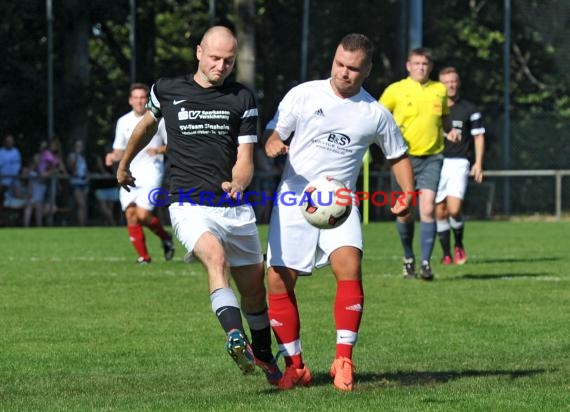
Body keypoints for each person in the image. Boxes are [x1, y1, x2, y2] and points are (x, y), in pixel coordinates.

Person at [115, 26, 281, 384]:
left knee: (254, 291)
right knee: (215, 259)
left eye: (229, 60)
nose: (221, 66)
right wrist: (124, 162)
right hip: (188, 202)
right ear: (199, 52)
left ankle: (265, 355)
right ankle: (235, 338)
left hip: (233, 206)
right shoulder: (167, 90)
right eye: (215, 58)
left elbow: (246, 155)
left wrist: (239, 182)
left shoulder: (242, 97)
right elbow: (145, 126)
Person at [264, 33, 414, 391]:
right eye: (340, 64)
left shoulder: (374, 113)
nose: (344, 73)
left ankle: (343, 360)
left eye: (353, 69)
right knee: (278, 280)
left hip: (341, 205)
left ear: (367, 71)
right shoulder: (303, 94)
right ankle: (295, 365)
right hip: (294, 200)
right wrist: (272, 144)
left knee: (350, 267)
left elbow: (397, 154)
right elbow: (274, 131)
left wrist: (408, 192)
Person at [379, 48, 459, 281]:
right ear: (408, 65)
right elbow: (378, 116)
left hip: (433, 157)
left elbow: (444, 118)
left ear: (430, 67)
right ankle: (408, 258)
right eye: (416, 63)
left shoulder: (439, 90)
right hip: (402, 159)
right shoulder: (396, 90)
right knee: (405, 212)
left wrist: (449, 131)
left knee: (427, 209)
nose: (421, 67)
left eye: (425, 63)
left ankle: (425, 263)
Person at [106, 83, 175, 263]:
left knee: (143, 215)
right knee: (130, 214)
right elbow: (120, 149)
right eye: (136, 97)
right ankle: (144, 257)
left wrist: (159, 150)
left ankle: (165, 237)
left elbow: (173, 145)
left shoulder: (159, 119)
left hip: (152, 171)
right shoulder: (123, 121)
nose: (139, 101)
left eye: (143, 97)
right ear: (130, 100)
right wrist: (112, 156)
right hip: (128, 171)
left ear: (148, 100)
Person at [436, 67, 485, 265]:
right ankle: (446, 253)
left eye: (453, 81)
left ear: (458, 82)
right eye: (446, 82)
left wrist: (478, 164)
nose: (451, 85)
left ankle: (458, 244)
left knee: (454, 209)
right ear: (440, 85)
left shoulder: (469, 109)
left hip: (459, 162)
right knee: (439, 210)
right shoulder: (434, 108)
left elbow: (479, 136)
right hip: (436, 162)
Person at [67, 139, 89, 226]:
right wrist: (76, 156)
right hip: (76, 182)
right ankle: (81, 225)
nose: (79, 148)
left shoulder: (83, 157)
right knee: (81, 204)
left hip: (84, 182)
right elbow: (72, 168)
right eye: (77, 146)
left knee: (84, 205)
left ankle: (83, 224)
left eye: (81, 146)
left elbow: (85, 170)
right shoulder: (71, 156)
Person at [0, 133, 22, 203]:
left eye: (11, 141)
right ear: (5, 142)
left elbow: (18, 165)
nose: (10, 143)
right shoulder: (1, 152)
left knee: (18, 197)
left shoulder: (16, 151)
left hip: (14, 179)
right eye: (8, 141)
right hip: (3, 180)